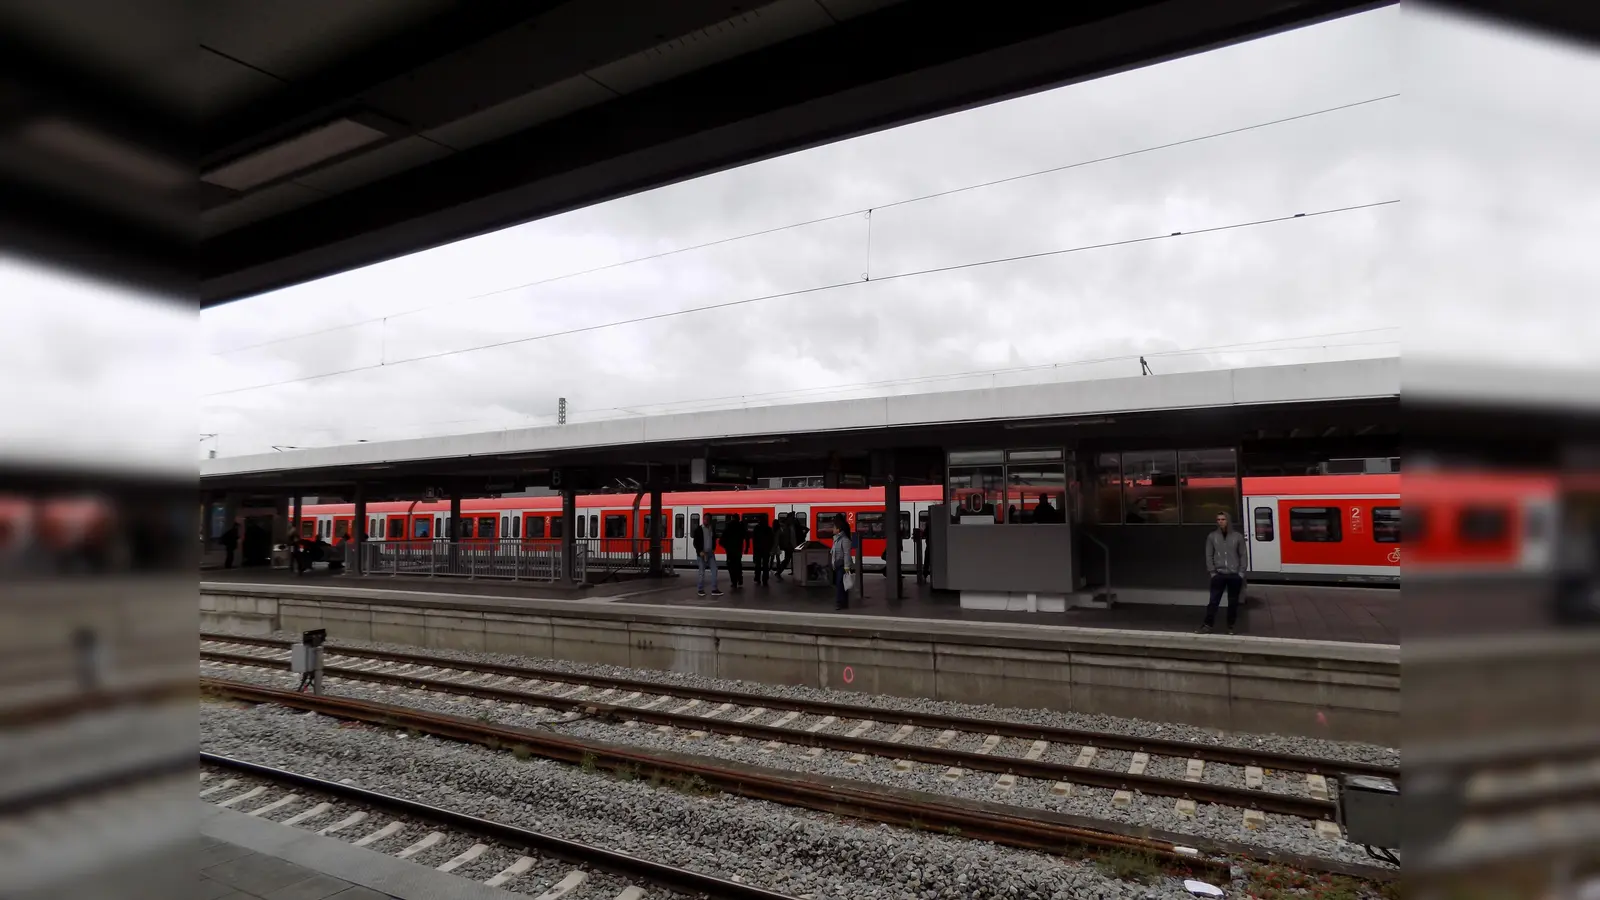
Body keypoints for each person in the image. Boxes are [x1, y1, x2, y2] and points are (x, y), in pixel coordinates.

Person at [1198, 511, 1247, 634]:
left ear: (1228, 520)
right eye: (1218, 519)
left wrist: (1241, 572)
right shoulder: (1212, 536)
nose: (1220, 522)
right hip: (1218, 574)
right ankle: (1207, 625)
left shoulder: (1237, 537)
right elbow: (1208, 555)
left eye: (1223, 519)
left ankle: (1231, 626)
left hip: (1234, 574)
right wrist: (1212, 572)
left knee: (1233, 602)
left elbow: (1243, 555)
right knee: (1213, 601)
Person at [691, 519, 722, 597]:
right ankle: (700, 589)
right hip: (702, 553)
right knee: (701, 572)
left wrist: (713, 548)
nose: (707, 520)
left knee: (714, 570)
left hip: (710, 553)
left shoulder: (712, 529)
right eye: (706, 518)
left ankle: (714, 589)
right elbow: (695, 542)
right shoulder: (699, 529)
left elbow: (713, 539)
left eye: (708, 518)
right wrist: (699, 551)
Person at [830, 513, 853, 610]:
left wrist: (847, 567)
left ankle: (840, 603)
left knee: (840, 585)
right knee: (840, 585)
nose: (832, 529)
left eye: (834, 527)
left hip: (842, 566)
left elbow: (847, 554)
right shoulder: (836, 539)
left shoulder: (844, 540)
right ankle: (843, 603)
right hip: (837, 565)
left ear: (838, 529)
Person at [721, 516, 748, 588]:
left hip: (730, 551)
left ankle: (734, 581)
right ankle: (739, 578)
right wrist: (746, 548)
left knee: (731, 566)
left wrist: (726, 546)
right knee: (738, 564)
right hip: (738, 549)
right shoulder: (741, 527)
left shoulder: (728, 527)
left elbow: (721, 540)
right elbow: (746, 537)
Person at [751, 517, 774, 586]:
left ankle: (757, 578)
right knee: (765, 565)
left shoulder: (756, 529)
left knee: (757, 565)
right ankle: (765, 579)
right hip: (766, 550)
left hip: (758, 549)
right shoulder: (769, 529)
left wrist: (754, 550)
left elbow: (754, 540)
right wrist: (770, 549)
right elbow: (771, 540)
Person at [772, 514, 795, 582]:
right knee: (788, 559)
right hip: (789, 546)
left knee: (787, 559)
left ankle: (779, 572)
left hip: (788, 546)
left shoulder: (785, 528)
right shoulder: (788, 527)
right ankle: (778, 572)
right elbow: (791, 538)